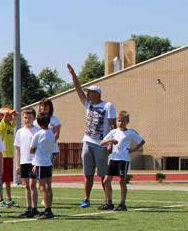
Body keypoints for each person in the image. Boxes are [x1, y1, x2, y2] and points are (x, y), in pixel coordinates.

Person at [66, 63, 117, 209]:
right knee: (88, 174)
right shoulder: (88, 105)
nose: (87, 95)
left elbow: (113, 126)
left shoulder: (108, 106)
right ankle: (86, 198)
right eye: (87, 93)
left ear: (97, 94)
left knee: (103, 174)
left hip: (101, 143)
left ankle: (108, 200)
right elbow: (78, 90)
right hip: (87, 142)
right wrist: (73, 75)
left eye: (90, 93)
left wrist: (110, 143)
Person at [99, 110, 145, 211]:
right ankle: (109, 203)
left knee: (122, 181)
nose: (120, 123)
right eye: (118, 120)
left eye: (122, 121)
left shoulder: (130, 133)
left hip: (123, 160)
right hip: (113, 159)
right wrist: (110, 140)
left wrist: (132, 150)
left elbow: (142, 142)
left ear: (127, 121)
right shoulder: (113, 132)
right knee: (106, 181)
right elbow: (101, 143)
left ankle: (122, 204)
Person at [14, 108, 42, 218]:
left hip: (33, 162)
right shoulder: (20, 132)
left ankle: (34, 208)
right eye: (25, 117)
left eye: (30, 118)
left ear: (34, 118)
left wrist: (37, 163)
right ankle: (28, 208)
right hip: (23, 161)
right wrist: (17, 164)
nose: (27, 120)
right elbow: (17, 149)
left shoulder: (37, 131)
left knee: (32, 185)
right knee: (26, 186)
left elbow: (39, 148)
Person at [29, 114, 57, 219]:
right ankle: (49, 208)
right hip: (48, 162)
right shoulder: (51, 133)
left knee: (42, 187)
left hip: (40, 163)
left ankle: (47, 210)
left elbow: (31, 149)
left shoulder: (38, 134)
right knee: (48, 186)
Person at [0, 108, 17, 208]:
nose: (10, 116)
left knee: (8, 179)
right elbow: (3, 122)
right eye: (8, 115)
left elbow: (14, 122)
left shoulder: (10, 126)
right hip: (3, 155)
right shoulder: (1, 125)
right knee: (1, 179)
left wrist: (13, 115)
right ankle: (0, 200)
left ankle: (9, 199)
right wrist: (5, 114)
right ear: (3, 116)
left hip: (9, 156)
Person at [36, 98, 61, 164]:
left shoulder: (54, 120)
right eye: (42, 106)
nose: (44, 107)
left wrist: (48, 145)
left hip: (51, 150)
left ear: (50, 107)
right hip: (39, 150)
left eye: (46, 106)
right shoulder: (36, 121)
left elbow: (56, 135)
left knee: (48, 168)